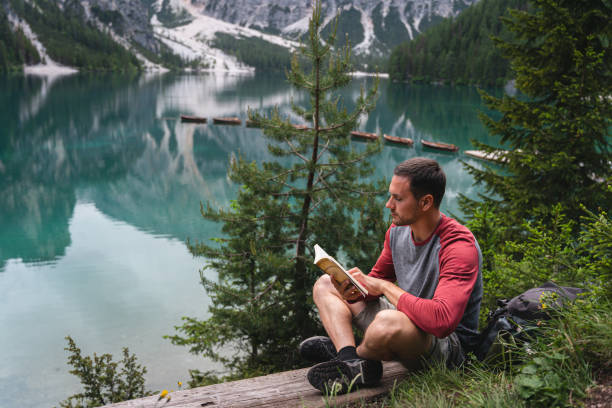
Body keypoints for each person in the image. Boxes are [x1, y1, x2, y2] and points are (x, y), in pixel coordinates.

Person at [301, 157, 483, 394]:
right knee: (325, 284)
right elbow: (372, 286)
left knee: (387, 322)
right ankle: (351, 361)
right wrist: (354, 290)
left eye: (398, 198)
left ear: (426, 202)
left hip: (448, 348)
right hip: (407, 323)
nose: (389, 204)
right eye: (391, 196)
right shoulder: (397, 233)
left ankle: (352, 358)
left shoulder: (458, 246)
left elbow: (442, 322)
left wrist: (386, 288)